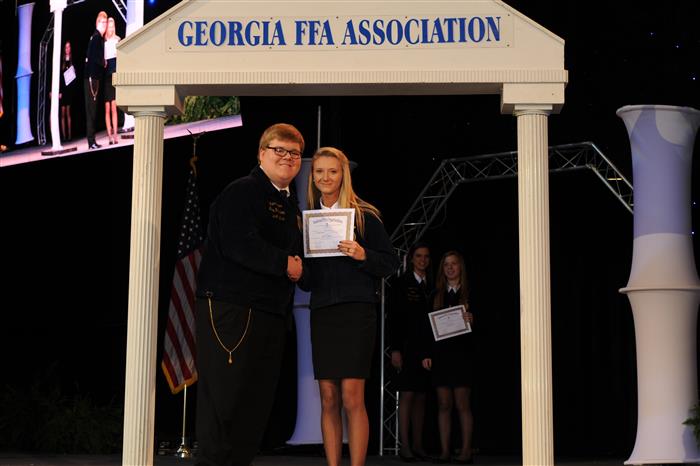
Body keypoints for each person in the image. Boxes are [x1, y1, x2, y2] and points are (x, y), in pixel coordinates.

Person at [194, 123, 305, 466]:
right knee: (226, 401)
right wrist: (285, 263)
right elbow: (238, 244)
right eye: (279, 150)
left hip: (270, 312)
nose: (287, 157)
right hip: (233, 309)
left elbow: (301, 261)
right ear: (261, 154)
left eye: (294, 153)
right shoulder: (243, 191)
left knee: (254, 406)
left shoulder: (292, 206)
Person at [298, 147, 398, 466]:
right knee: (328, 398)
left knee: (353, 397)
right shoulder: (307, 221)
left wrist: (363, 254)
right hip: (323, 313)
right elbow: (308, 280)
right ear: (312, 177)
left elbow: (390, 263)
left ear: (343, 175)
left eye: (332, 171)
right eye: (319, 172)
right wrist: (299, 273)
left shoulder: (365, 215)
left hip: (356, 313)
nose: (326, 178)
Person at [421, 251, 475, 464]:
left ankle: (466, 451)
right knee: (443, 404)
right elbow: (426, 328)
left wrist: (473, 319)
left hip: (463, 355)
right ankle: (444, 451)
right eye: (446, 265)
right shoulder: (435, 295)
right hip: (441, 356)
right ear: (442, 270)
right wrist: (426, 353)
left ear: (461, 267)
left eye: (454, 264)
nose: (450, 268)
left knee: (462, 404)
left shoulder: (470, 293)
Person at [387, 242, 433, 462]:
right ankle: (404, 446)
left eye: (426, 256)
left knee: (421, 396)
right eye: (419, 256)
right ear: (411, 259)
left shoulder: (433, 284)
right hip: (406, 347)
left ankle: (418, 445)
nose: (422, 260)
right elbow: (394, 319)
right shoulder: (401, 283)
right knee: (407, 395)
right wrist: (395, 349)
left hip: (427, 349)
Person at [83, 11, 107, 150]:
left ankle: (92, 141)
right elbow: (92, 58)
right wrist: (103, 62)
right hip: (92, 78)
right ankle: (91, 142)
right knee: (91, 111)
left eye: (105, 22)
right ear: (98, 23)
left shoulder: (97, 37)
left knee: (92, 110)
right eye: (102, 22)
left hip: (92, 77)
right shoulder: (96, 37)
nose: (104, 25)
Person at [103, 18, 120, 145]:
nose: (111, 28)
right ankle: (109, 136)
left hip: (114, 75)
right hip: (105, 76)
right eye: (109, 26)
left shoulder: (117, 40)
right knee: (107, 108)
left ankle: (115, 135)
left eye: (112, 26)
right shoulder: (103, 42)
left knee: (114, 106)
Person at [59, 41, 75, 141]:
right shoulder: (62, 61)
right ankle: (64, 136)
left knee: (68, 113)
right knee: (63, 113)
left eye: (69, 47)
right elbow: (60, 78)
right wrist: (60, 91)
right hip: (63, 89)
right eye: (66, 47)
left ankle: (69, 135)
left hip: (69, 89)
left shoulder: (72, 60)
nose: (67, 49)